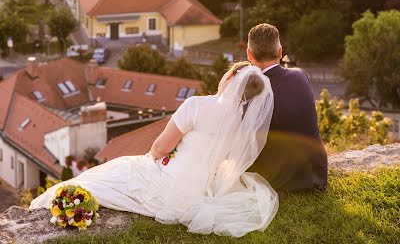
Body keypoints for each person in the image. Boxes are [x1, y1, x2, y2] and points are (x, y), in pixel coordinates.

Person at [30, 64, 279, 238]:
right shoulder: (242, 123)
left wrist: (152, 161)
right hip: (199, 188)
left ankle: (52, 202)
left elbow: (160, 148)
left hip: (167, 180)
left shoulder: (197, 105)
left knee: (111, 173)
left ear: (231, 79)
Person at [247, 23, 328, 194]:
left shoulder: (250, 93)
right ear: (280, 52)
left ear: (249, 54)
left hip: (276, 182)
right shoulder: (300, 75)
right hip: (316, 176)